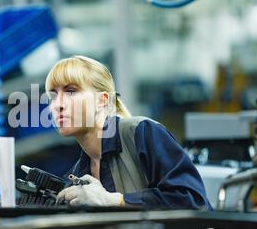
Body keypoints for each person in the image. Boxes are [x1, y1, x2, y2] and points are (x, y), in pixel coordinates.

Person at [45, 55, 212, 210]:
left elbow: (193, 201)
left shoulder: (142, 133)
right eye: (53, 96)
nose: (58, 104)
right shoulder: (77, 174)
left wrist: (112, 200)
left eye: (71, 92)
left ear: (102, 101)